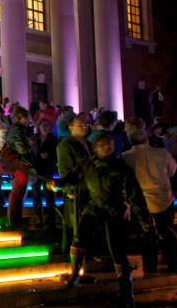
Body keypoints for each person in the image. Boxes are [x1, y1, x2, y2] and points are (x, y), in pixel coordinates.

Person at [65, 132, 151, 307]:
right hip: (93, 208)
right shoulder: (87, 164)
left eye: (110, 144)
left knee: (117, 250)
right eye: (103, 144)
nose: (107, 147)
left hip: (115, 211)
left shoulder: (121, 167)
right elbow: (72, 178)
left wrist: (145, 222)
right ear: (95, 147)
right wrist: (57, 184)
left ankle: (127, 294)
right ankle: (75, 276)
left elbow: (135, 196)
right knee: (79, 239)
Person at [123, 128, 177, 273]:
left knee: (147, 235)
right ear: (146, 139)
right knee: (168, 233)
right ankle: (173, 263)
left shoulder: (125, 157)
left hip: (140, 202)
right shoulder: (161, 153)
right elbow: (172, 170)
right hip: (163, 199)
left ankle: (150, 266)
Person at [54, 116, 92, 254]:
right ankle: (71, 257)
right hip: (77, 191)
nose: (84, 126)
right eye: (80, 124)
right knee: (74, 227)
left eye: (86, 124)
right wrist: (70, 188)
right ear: (70, 127)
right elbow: (66, 171)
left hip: (90, 190)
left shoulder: (89, 143)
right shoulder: (65, 145)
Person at [4, 106, 33, 228]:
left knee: (19, 192)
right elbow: (21, 148)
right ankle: (13, 220)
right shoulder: (17, 130)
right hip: (20, 163)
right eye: (27, 118)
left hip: (19, 163)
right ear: (21, 118)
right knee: (17, 192)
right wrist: (30, 147)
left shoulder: (18, 129)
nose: (29, 120)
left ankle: (15, 220)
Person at [31, 119, 57, 229]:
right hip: (36, 169)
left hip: (47, 169)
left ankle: (49, 219)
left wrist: (49, 156)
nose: (45, 128)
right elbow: (31, 153)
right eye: (43, 125)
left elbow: (56, 154)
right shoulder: (35, 138)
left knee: (48, 195)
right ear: (39, 127)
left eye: (47, 125)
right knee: (36, 194)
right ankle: (38, 218)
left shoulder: (53, 139)